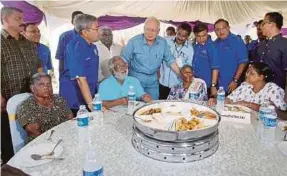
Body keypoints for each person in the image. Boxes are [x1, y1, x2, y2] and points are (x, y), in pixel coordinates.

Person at [1, 7, 42, 163]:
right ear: (5, 20)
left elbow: (38, 65)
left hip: (31, 98)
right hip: (7, 101)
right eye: (17, 19)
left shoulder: (28, 43)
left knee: (32, 133)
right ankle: (11, 168)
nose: (22, 22)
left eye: (22, 18)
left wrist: (42, 86)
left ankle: (31, 163)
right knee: (9, 138)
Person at [122, 17, 180, 100]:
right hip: (135, 79)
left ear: (158, 31)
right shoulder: (133, 42)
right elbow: (124, 61)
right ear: (144, 29)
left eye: (153, 30)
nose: (149, 33)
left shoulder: (162, 43)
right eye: (147, 29)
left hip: (153, 80)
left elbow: (170, 60)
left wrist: (181, 75)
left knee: (153, 106)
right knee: (134, 106)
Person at [60, 14, 100, 115]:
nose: (99, 31)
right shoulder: (75, 47)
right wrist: (91, 104)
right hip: (74, 96)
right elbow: (80, 79)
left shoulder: (93, 47)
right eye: (96, 28)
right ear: (85, 32)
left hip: (88, 93)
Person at [17, 73, 73, 142]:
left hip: (64, 139)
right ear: (32, 88)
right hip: (40, 144)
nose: (46, 87)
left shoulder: (59, 99)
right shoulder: (26, 106)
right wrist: (54, 142)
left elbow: (70, 119)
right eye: (41, 84)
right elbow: (34, 132)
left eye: (48, 84)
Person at [220, 62, 286, 113]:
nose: (247, 75)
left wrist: (249, 104)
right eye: (247, 72)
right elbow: (229, 98)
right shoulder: (245, 85)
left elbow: (281, 112)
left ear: (261, 77)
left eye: (251, 73)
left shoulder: (272, 89)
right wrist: (219, 101)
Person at [159, 23, 193, 99]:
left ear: (188, 36)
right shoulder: (166, 41)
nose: (180, 37)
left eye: (184, 36)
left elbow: (188, 68)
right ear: (176, 31)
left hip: (177, 84)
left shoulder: (190, 49)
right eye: (179, 34)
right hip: (162, 82)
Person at [214, 19, 248, 94]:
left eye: (223, 28)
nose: (221, 31)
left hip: (232, 84)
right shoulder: (215, 43)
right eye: (217, 30)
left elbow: (243, 63)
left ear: (228, 28)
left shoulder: (237, 41)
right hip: (218, 85)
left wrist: (235, 80)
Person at [256, 12, 287, 91]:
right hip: (258, 91)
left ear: (271, 24)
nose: (260, 27)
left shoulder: (284, 44)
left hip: (277, 92)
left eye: (263, 23)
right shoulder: (260, 45)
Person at [192, 22, 220, 99]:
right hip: (195, 82)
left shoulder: (211, 47)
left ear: (207, 33)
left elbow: (215, 67)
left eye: (204, 35)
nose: (201, 38)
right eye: (198, 36)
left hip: (207, 84)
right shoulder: (194, 46)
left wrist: (213, 85)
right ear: (195, 35)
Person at [56, 11, 83, 79]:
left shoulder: (90, 35)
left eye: (82, 19)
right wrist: (61, 77)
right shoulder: (65, 36)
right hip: (70, 76)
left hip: (86, 75)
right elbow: (61, 58)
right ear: (72, 22)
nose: (80, 22)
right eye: (77, 19)